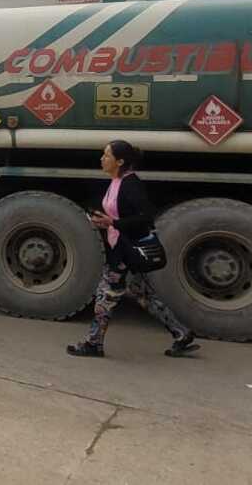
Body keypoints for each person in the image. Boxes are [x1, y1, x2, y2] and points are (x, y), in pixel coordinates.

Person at [67, 140, 199, 358]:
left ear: (119, 161)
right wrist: (103, 221)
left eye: (107, 155)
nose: (102, 159)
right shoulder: (116, 181)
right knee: (144, 295)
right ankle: (181, 333)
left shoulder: (131, 184)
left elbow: (145, 217)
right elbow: (118, 215)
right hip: (121, 247)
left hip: (125, 250)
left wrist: (113, 223)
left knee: (105, 295)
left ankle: (93, 343)